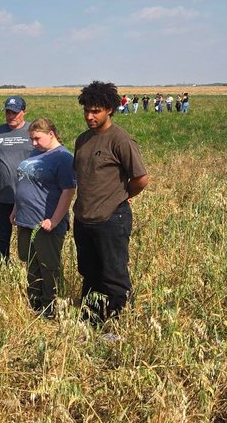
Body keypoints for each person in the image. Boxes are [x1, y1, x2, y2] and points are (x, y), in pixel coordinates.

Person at [73, 81, 149, 323]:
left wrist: (121, 197)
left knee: (114, 275)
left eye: (96, 111)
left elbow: (140, 179)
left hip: (111, 219)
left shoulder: (120, 140)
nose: (90, 116)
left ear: (110, 110)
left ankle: (116, 325)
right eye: (87, 110)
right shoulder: (82, 140)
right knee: (89, 273)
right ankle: (91, 321)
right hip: (83, 219)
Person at [11, 118, 76, 315]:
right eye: (31, 139)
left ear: (51, 134)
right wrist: (15, 209)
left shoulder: (63, 157)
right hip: (26, 220)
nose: (34, 143)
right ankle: (35, 302)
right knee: (31, 264)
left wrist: (54, 220)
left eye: (37, 138)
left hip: (45, 222)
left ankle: (51, 306)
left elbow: (68, 191)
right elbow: (24, 182)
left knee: (49, 266)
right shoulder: (36, 153)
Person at [0, 94, 33, 263]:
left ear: (23, 112)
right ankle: (1, 268)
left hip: (28, 197)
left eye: (15, 113)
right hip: (2, 196)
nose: (11, 116)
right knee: (2, 238)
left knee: (29, 238)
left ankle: (30, 270)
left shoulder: (33, 132)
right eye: (8, 112)